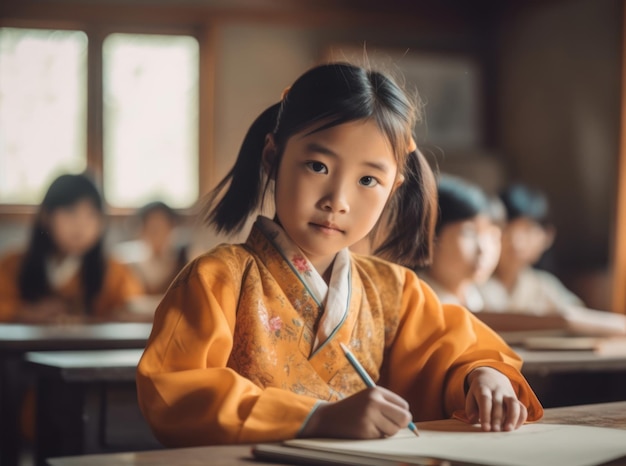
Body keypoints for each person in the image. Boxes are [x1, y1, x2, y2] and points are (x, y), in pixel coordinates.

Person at [136, 62, 543, 448]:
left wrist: (482, 375)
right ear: (273, 156)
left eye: (368, 179)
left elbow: (455, 348)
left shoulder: (395, 291)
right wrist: (314, 417)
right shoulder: (215, 279)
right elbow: (175, 389)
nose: (338, 200)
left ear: (395, 186)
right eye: (317, 166)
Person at [480, 183, 626, 335]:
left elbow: (581, 316)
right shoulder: (475, 283)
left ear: (547, 236)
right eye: (507, 230)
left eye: (527, 230)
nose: (516, 241)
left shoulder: (544, 286)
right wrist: (562, 321)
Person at [0, 172, 145, 323]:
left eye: (91, 214)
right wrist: (27, 313)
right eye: (70, 212)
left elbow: (132, 307)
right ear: (46, 215)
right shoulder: (13, 265)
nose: (81, 225)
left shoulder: (114, 271)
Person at [417, 174, 501, 312]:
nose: (483, 249)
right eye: (469, 233)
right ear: (430, 236)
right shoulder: (416, 304)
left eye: (492, 235)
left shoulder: (488, 300)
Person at [114, 201, 189, 296]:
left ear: (171, 228)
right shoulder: (126, 262)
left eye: (161, 227)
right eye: (152, 228)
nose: (157, 234)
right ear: (142, 230)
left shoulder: (184, 258)